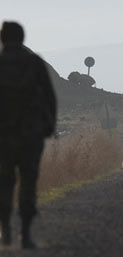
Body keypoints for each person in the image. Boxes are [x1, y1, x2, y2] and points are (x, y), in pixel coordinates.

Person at [0, 21, 57, 249]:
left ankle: (5, 232)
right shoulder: (34, 63)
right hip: (30, 135)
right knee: (28, 182)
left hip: (3, 135)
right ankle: (25, 234)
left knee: (4, 182)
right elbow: (50, 98)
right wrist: (48, 126)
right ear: (22, 38)